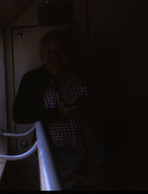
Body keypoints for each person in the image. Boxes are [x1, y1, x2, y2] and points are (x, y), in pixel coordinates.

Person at [13, 30, 106, 190]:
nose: (54, 56)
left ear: (69, 53)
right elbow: (19, 114)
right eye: (49, 51)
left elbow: (106, 109)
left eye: (59, 51)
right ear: (41, 54)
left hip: (92, 158)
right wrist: (56, 113)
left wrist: (87, 109)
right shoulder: (33, 80)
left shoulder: (86, 76)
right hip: (57, 162)